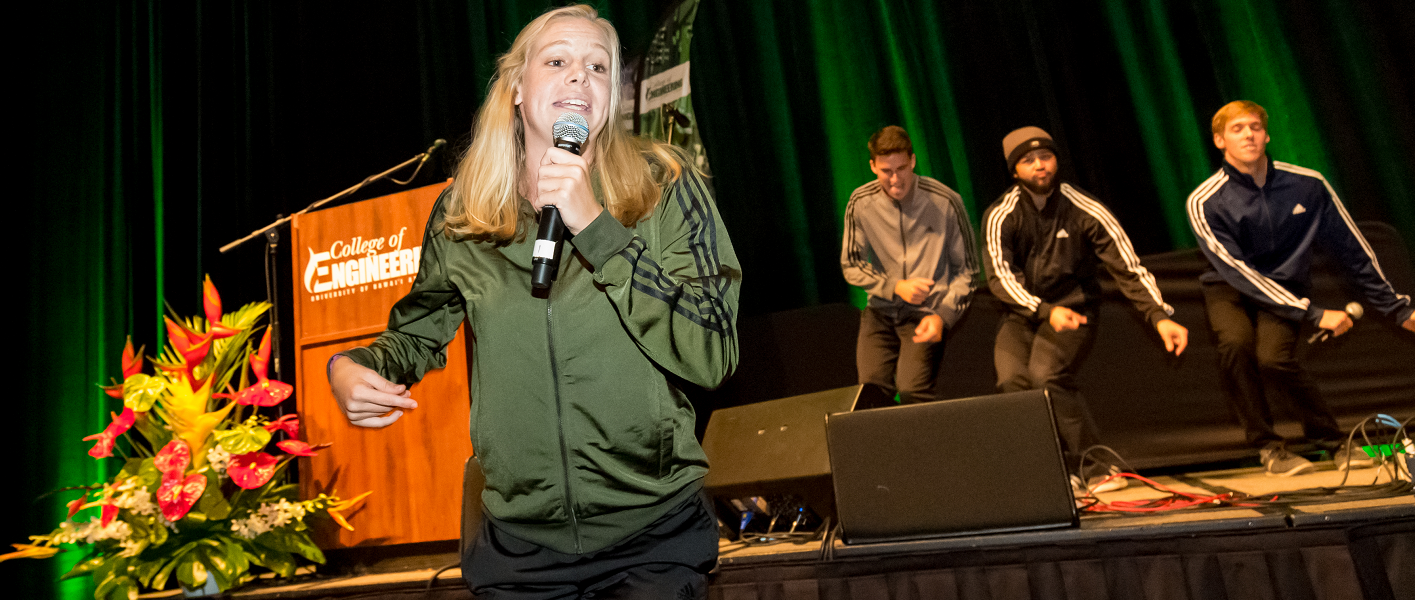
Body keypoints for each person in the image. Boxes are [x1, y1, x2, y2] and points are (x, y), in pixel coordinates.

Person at [326, 6, 739, 598]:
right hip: (519, 549)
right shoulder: (463, 209)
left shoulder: (666, 185)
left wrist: (595, 227)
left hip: (652, 537)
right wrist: (352, 367)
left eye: (598, 66)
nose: (579, 76)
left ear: (612, 95)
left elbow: (713, 349)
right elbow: (418, 332)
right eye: (558, 61)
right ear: (517, 88)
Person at [1188, 100, 1415, 477]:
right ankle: (1269, 448)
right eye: (1238, 129)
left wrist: (1398, 310)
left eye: (1255, 127)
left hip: (1286, 288)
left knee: (1274, 360)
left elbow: (1353, 251)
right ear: (1219, 140)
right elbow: (1236, 269)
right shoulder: (1205, 200)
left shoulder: (1307, 184)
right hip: (1231, 289)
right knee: (1236, 345)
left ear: (1267, 134)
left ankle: (1331, 441)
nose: (1248, 135)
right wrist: (1314, 313)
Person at [984, 126, 1188, 494]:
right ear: (1015, 171)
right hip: (1023, 313)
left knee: (1046, 376)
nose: (1040, 166)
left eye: (1045, 157)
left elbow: (1127, 266)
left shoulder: (1083, 207)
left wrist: (1159, 316)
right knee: (1011, 381)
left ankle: (1096, 466)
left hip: (1073, 310)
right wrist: (1044, 311)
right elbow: (1000, 277)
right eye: (1028, 161)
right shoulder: (1002, 214)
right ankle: (1056, 471)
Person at [840, 126, 980, 404]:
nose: (895, 180)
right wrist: (895, 287)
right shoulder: (860, 201)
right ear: (872, 166)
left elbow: (969, 271)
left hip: (924, 312)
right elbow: (851, 263)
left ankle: (932, 447)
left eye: (902, 169)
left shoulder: (945, 201)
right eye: (886, 171)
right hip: (880, 312)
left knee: (912, 388)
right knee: (869, 390)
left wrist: (942, 315)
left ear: (913, 161)